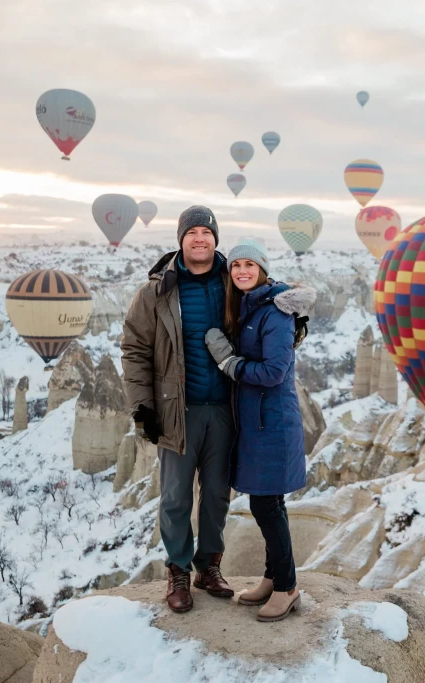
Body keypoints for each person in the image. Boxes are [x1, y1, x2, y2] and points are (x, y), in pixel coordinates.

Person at [120, 205, 236, 614]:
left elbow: (266, 317)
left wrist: (293, 322)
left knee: (217, 495)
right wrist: (142, 407)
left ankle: (209, 566)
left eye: (207, 232)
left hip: (225, 408)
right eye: (192, 233)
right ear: (181, 240)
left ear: (215, 239)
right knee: (175, 497)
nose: (200, 239)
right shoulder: (156, 291)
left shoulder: (234, 282)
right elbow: (134, 349)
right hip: (177, 411)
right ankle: (179, 571)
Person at [204, 237, 315, 622]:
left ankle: (287, 588)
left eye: (249, 264)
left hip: (273, 424)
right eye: (236, 265)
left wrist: (230, 364)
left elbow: (274, 372)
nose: (242, 271)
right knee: (268, 504)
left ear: (262, 269)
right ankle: (272, 579)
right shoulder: (249, 307)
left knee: (266, 505)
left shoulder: (275, 312)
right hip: (256, 422)